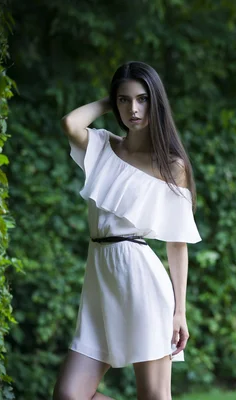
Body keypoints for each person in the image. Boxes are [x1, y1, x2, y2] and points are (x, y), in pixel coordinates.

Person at [53, 61, 202, 400]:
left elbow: (178, 242)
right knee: (68, 395)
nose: (133, 109)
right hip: (100, 280)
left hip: (141, 280)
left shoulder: (171, 165)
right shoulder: (103, 146)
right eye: (124, 100)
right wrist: (109, 99)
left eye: (143, 99)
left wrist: (180, 311)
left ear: (156, 102)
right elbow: (70, 123)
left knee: (153, 395)